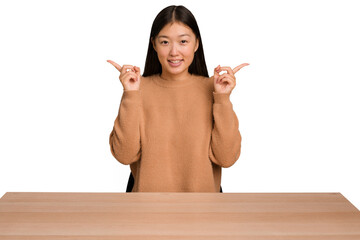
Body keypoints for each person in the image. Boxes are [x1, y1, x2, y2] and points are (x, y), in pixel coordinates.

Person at [107, 5, 249, 192]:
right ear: (154, 44)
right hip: (147, 215)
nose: (174, 52)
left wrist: (222, 99)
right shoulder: (139, 89)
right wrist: (130, 95)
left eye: (183, 41)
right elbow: (124, 155)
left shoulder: (213, 90)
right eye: (165, 42)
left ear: (196, 44)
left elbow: (226, 158)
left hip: (203, 215)